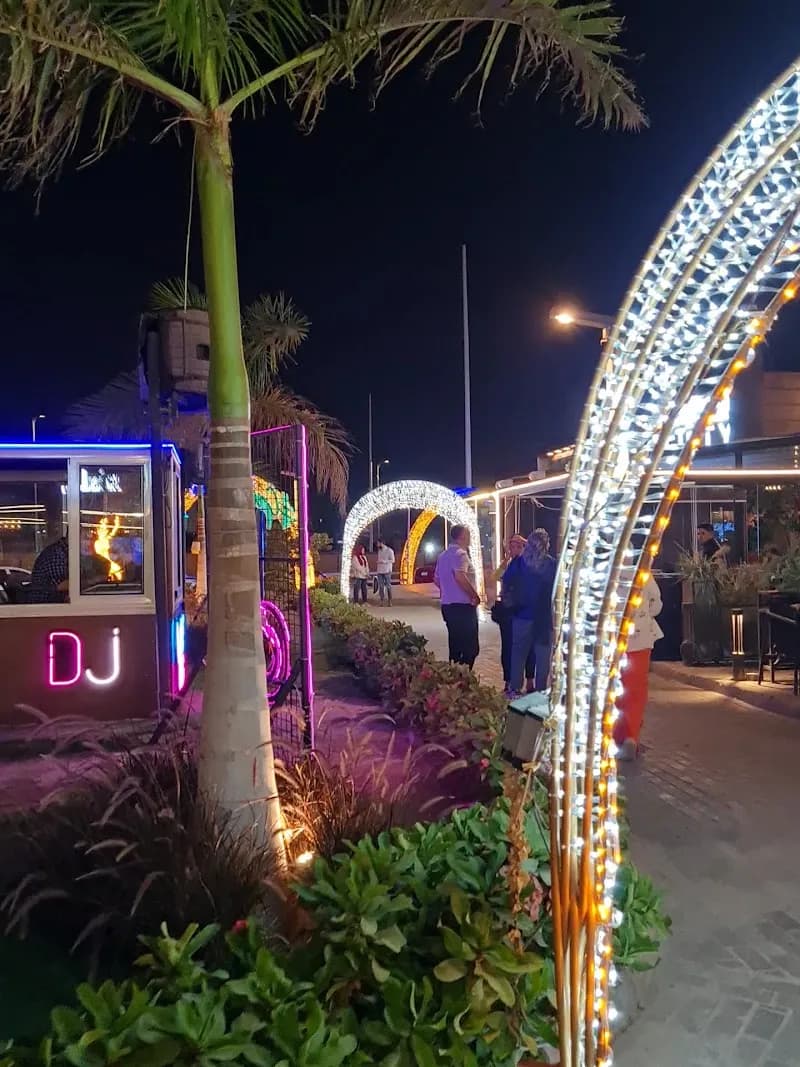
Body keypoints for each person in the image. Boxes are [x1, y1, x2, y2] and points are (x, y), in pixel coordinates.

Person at [614, 574, 664, 760]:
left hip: (616, 639)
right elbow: (657, 605)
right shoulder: (644, 574)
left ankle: (617, 736)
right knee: (636, 692)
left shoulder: (613, 571)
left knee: (618, 689)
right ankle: (630, 737)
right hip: (641, 641)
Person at [506, 529, 556, 696]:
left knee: (518, 654)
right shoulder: (551, 565)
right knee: (543, 657)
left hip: (521, 615)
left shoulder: (518, 563)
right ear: (545, 544)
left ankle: (514, 688)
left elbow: (506, 583)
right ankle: (541, 691)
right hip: (543, 618)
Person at [492, 534, 536, 693]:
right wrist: (506, 560)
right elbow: (495, 577)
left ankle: (529, 680)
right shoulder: (510, 564)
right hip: (510, 613)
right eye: (512, 545)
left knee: (528, 648)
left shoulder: (528, 563)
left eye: (518, 545)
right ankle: (510, 681)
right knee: (509, 648)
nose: (514, 548)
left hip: (525, 613)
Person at [434, 525, 480, 669]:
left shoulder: (443, 555)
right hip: (463, 607)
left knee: (455, 645)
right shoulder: (461, 554)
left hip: (447, 606)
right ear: (462, 536)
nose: (470, 537)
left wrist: (448, 590)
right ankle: (464, 677)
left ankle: (454, 677)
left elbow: (436, 579)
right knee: (470, 647)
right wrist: (474, 595)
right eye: (468, 534)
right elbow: (460, 576)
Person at [27, 534, 69, 603]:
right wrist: (86, 582)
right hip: (42, 606)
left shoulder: (66, 552)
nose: (88, 541)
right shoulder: (56, 554)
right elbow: (61, 586)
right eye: (85, 536)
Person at [375, 539, 395, 605]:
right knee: (381, 586)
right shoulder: (379, 551)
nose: (377, 545)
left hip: (387, 570)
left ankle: (390, 600)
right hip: (380, 571)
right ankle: (382, 600)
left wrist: (384, 561)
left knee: (388, 586)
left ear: (381, 543)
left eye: (378, 543)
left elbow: (393, 560)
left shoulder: (389, 550)